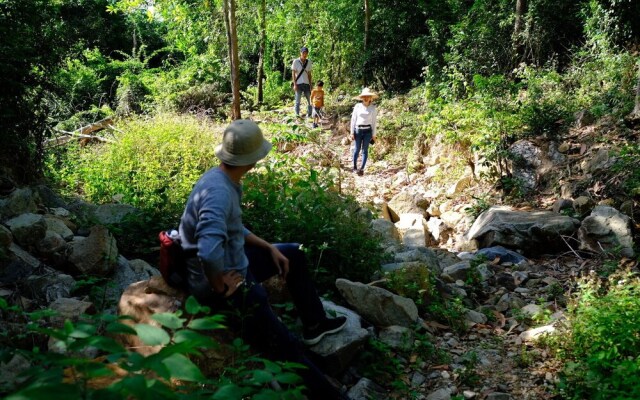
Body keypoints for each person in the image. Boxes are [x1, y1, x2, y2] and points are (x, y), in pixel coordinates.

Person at [178, 119, 348, 399]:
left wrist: (268, 246)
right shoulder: (220, 192)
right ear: (253, 159)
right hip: (224, 281)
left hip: (235, 262)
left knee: (292, 253)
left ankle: (315, 325)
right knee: (284, 345)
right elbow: (208, 251)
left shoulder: (220, 178)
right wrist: (219, 287)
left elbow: (232, 228)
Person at [350, 88, 378, 176]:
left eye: (368, 96)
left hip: (368, 131)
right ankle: (354, 167)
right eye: (364, 96)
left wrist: (374, 135)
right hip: (358, 130)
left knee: (365, 150)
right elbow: (353, 119)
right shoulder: (357, 106)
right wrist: (351, 132)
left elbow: (374, 122)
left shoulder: (373, 108)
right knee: (356, 149)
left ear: (370, 98)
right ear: (362, 98)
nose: (366, 98)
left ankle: (361, 169)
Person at [291, 46, 313, 118]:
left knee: (310, 100)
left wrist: (311, 84)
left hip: (306, 84)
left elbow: (309, 74)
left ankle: (309, 114)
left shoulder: (309, 62)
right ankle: (297, 115)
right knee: (297, 101)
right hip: (298, 84)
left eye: (306, 53)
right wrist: (294, 84)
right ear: (300, 53)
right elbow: (293, 73)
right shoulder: (296, 61)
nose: (305, 54)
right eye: (303, 53)